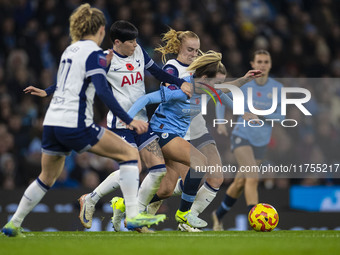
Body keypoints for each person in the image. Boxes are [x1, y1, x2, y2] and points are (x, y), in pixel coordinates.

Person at [1, 4, 165, 237]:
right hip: (75, 123)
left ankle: (13, 223)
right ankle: (132, 216)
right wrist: (129, 119)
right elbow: (104, 92)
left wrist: (47, 92)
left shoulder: (71, 50)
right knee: (129, 157)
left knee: (46, 177)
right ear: (100, 30)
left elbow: (72, 79)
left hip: (52, 122)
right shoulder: (94, 54)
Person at [24, 20, 192, 232]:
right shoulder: (105, 60)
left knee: (158, 171)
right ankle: (92, 199)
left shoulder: (139, 51)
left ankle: (135, 212)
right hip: (120, 124)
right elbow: (77, 80)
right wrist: (47, 91)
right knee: (135, 167)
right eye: (130, 41)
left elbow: (158, 73)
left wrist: (180, 83)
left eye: (135, 40)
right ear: (117, 42)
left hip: (141, 122)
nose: (135, 44)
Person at [126, 50, 261, 230]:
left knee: (166, 189)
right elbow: (147, 98)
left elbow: (225, 94)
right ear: (204, 78)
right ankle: (184, 213)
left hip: (175, 137)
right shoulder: (182, 90)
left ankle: (125, 207)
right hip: (161, 133)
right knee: (200, 163)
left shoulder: (206, 89)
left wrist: (243, 111)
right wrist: (128, 118)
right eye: (216, 82)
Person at [212, 49, 284, 231]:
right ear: (252, 64)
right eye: (259, 61)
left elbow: (281, 117)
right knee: (252, 176)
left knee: (240, 182)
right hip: (241, 136)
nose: (262, 65)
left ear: (270, 65)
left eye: (266, 62)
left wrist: (261, 114)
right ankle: (257, 219)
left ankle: (218, 214)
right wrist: (221, 122)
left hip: (261, 142)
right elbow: (221, 98)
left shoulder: (277, 88)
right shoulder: (245, 84)